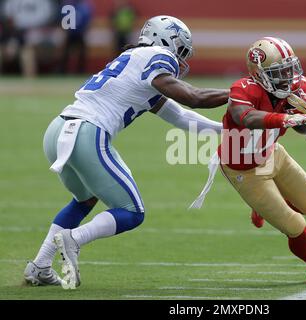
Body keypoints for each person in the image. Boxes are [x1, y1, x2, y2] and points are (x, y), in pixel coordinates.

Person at [24, 15, 229, 289]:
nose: (180, 59)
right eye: (179, 50)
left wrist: (224, 130)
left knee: (84, 200)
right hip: (88, 132)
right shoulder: (156, 55)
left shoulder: (134, 61)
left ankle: (40, 265)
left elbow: (180, 116)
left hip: (58, 129)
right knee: (132, 211)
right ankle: (75, 239)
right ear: (164, 40)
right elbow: (194, 97)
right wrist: (239, 93)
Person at [193, 37, 306, 284]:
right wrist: (284, 119)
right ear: (259, 73)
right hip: (242, 168)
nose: (289, 77)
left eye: (290, 69)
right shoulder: (243, 88)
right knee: (294, 224)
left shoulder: (300, 88)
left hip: (272, 154)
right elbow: (245, 117)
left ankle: (266, 204)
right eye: (280, 72)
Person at [59, 0, 93, 74]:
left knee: (81, 53)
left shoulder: (82, 6)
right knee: (66, 52)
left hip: (79, 32)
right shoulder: (70, 5)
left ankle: (80, 70)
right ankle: (64, 69)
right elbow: (63, 18)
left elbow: (87, 19)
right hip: (71, 32)